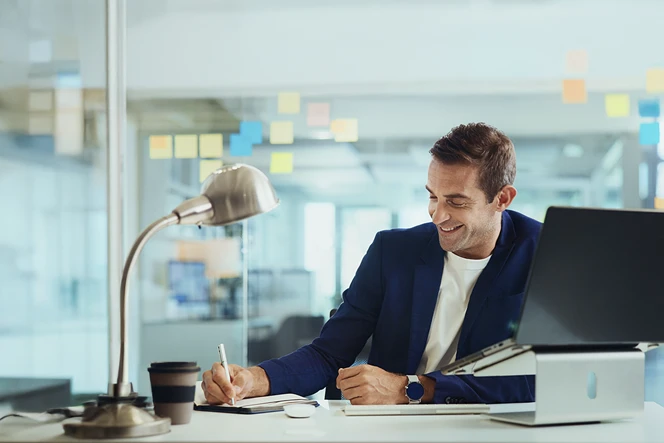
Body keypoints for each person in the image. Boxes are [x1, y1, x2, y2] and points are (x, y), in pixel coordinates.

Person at [203, 122, 540, 405]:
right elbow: (327, 354)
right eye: (432, 196)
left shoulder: (544, 254)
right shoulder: (393, 251)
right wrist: (252, 380)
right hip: (390, 431)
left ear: (502, 199)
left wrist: (412, 388)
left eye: (456, 201)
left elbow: (542, 380)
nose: (438, 214)